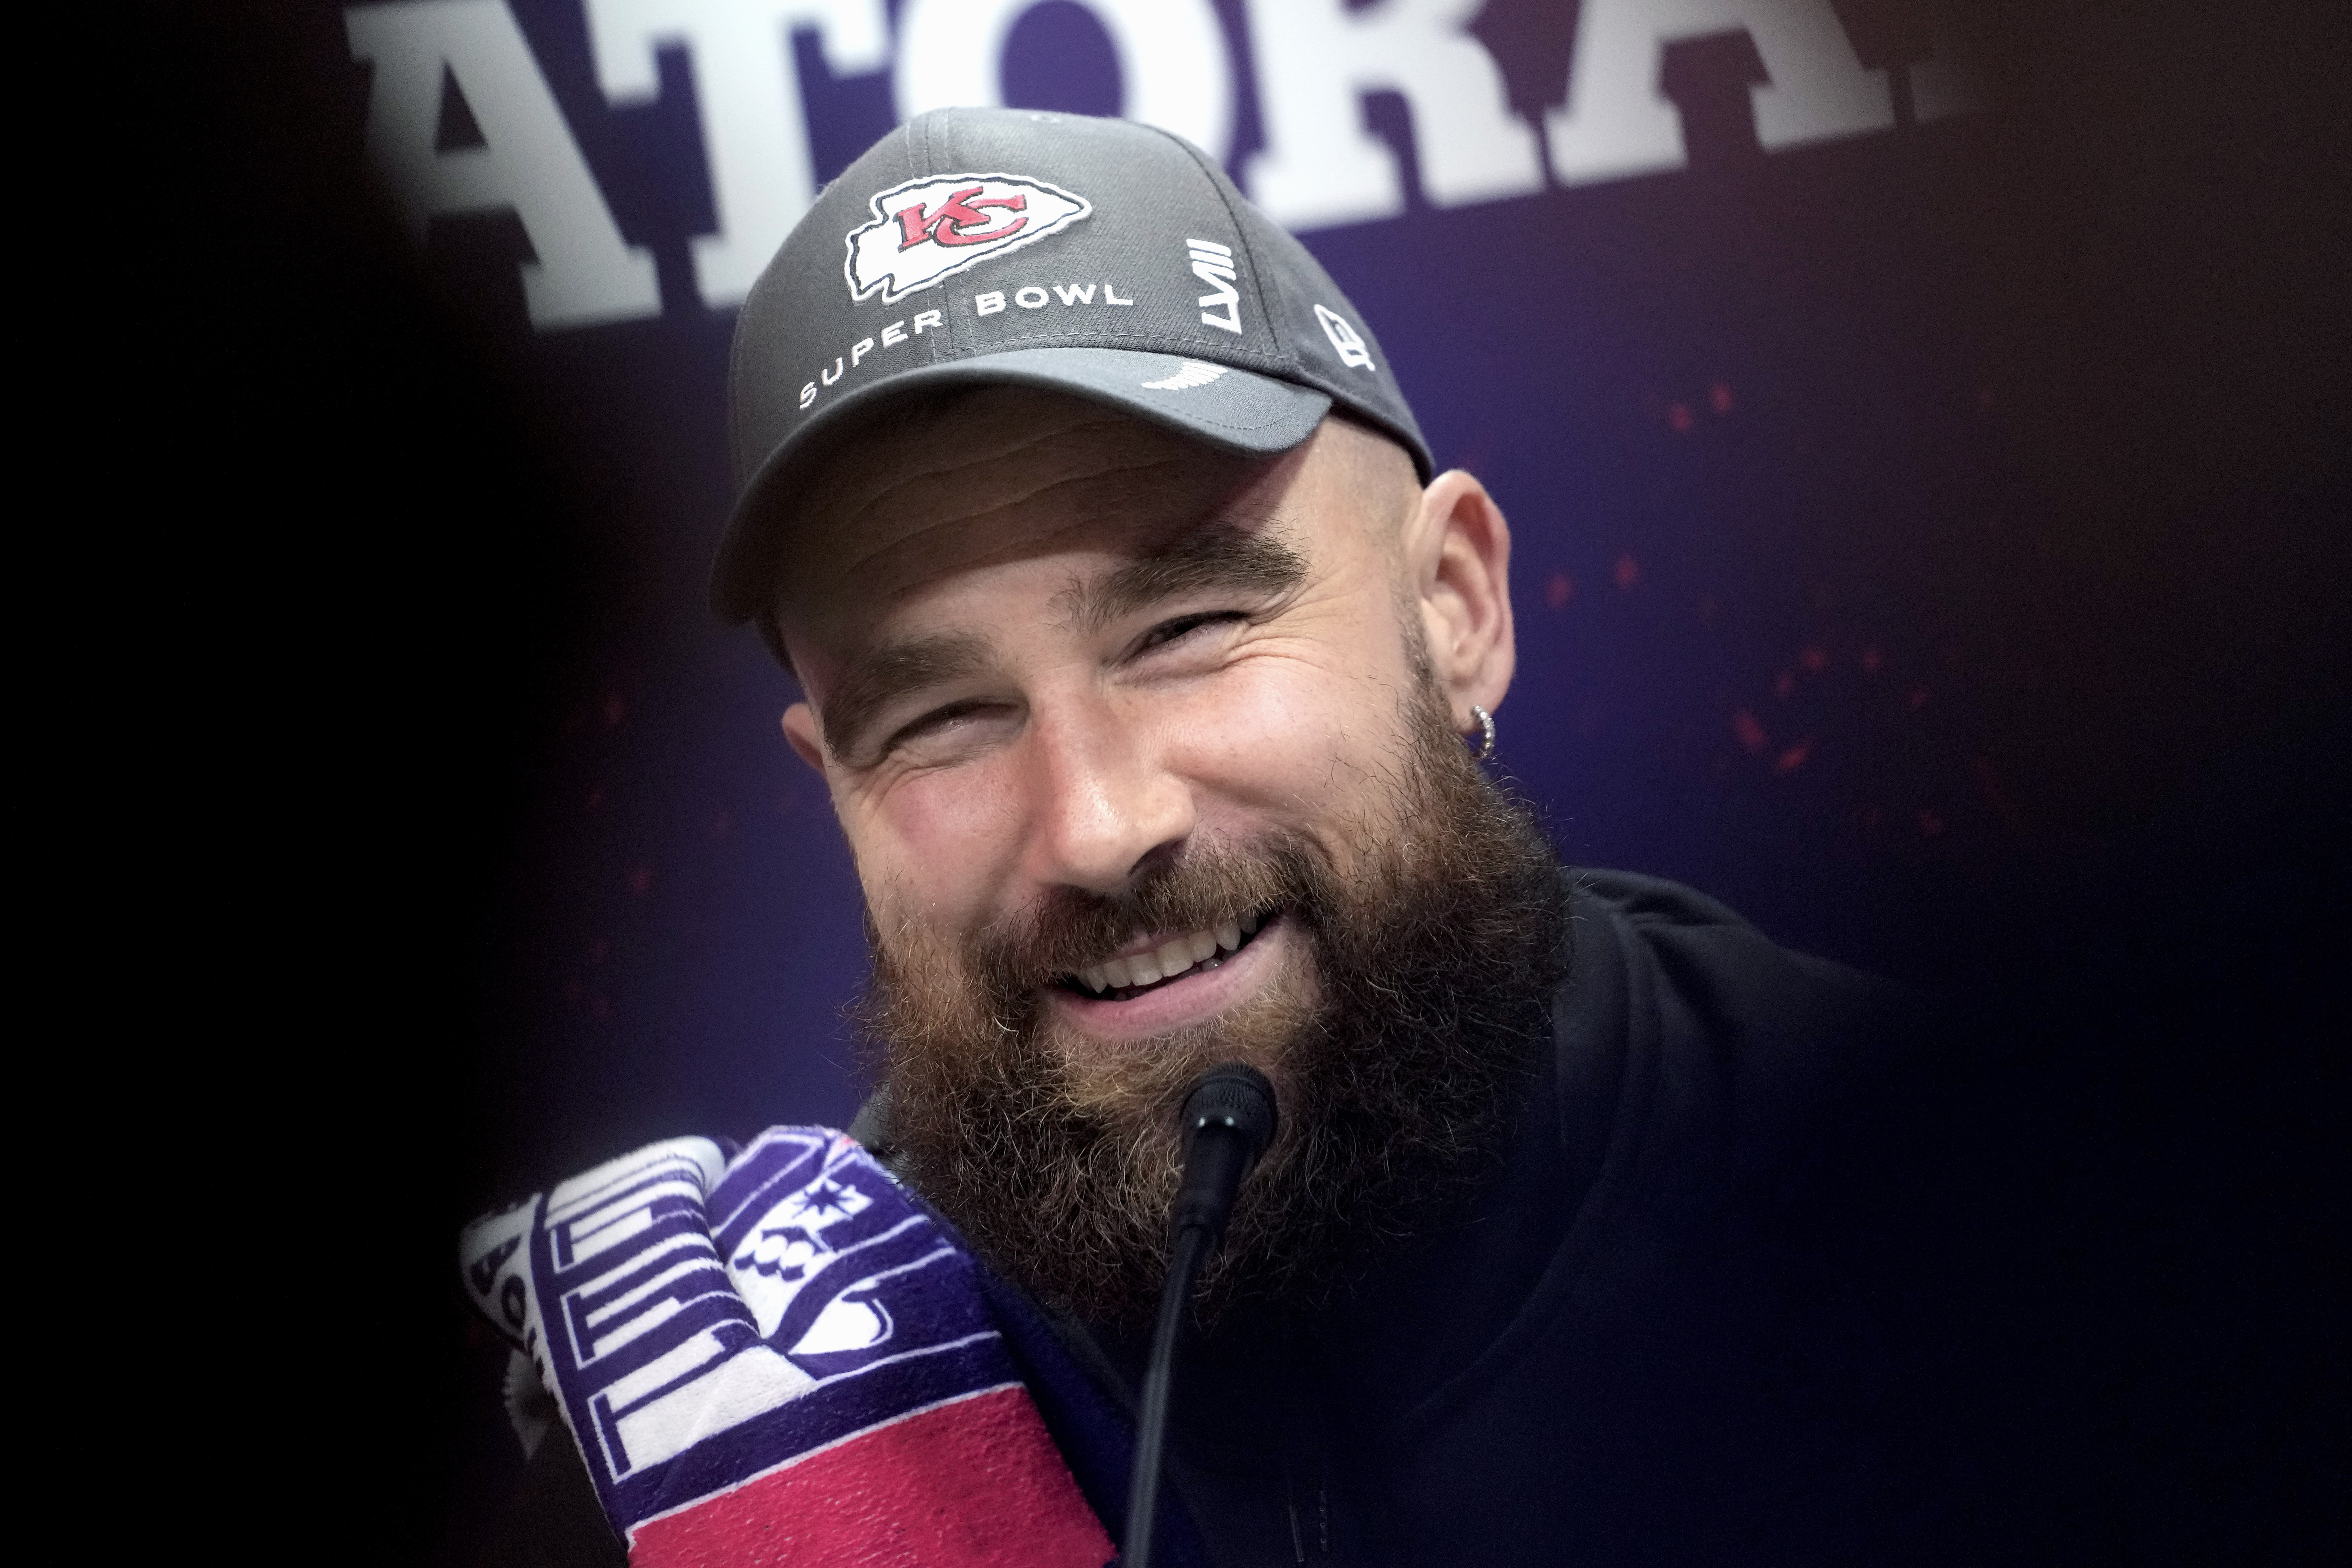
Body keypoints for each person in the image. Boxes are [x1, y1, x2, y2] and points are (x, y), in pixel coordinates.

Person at [484, 107, 1984, 1567]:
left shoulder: (1983, 1247)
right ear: (833, 784)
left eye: (1190, 625)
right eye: (937, 716)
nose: (1095, 821)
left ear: (1453, 608)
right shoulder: (740, 1450)